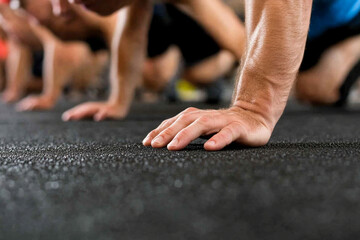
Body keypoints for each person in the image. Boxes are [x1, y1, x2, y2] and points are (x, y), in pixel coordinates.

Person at [48, 0, 245, 121]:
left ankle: (227, 60)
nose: (60, 10)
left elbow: (240, 41)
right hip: (185, 23)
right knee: (187, 75)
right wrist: (117, 102)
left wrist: (253, 108)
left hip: (235, 27)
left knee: (201, 74)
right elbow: (131, 32)